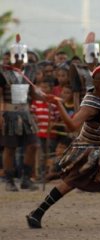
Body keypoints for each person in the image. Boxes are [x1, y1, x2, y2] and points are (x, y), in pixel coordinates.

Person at [26, 64, 100, 228]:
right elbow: (72, 126)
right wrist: (58, 104)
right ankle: (37, 213)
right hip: (90, 148)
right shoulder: (90, 106)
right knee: (71, 182)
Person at [0, 35, 39, 191]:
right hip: (9, 113)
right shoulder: (3, 73)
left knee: (33, 145)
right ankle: (9, 180)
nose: (19, 59)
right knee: (10, 148)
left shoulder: (30, 72)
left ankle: (26, 178)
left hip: (26, 114)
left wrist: (45, 97)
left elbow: (34, 95)